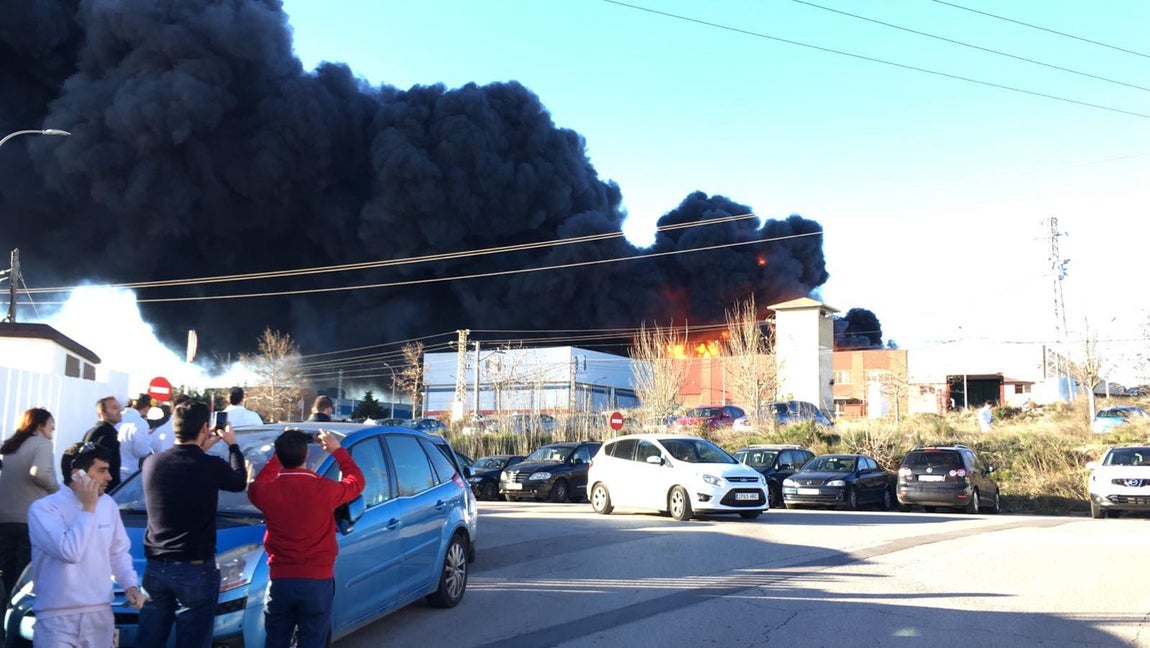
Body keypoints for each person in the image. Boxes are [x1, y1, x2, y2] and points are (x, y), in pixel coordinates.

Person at [136, 399, 247, 647]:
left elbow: (184, 467)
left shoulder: (152, 463)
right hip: (194, 567)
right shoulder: (210, 466)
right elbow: (239, 481)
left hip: (155, 565)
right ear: (205, 427)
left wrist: (199, 449)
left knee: (149, 640)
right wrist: (233, 446)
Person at [248, 429, 364, 647]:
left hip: (280, 580)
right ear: (306, 456)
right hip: (317, 581)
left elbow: (257, 483)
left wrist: (279, 454)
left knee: (276, 640)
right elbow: (357, 481)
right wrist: (337, 451)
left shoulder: (265, 492)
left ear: (280, 456)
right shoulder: (325, 489)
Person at [27, 442, 145, 647]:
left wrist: (130, 585)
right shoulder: (44, 509)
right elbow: (70, 552)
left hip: (100, 615)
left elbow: (118, 552)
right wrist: (88, 507)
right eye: (102, 470)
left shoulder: (108, 505)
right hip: (56, 619)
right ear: (77, 474)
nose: (109, 477)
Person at [0, 408, 60, 601]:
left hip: (5, 518)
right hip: (29, 517)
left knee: (7, 571)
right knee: (25, 572)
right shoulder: (42, 444)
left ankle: (5, 613)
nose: (53, 430)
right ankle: (17, 612)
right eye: (51, 426)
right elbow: (40, 473)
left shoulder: (9, 447)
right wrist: (55, 489)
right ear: (40, 426)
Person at [82, 396, 124, 490]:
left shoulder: (91, 432)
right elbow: (104, 464)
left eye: (119, 407)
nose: (119, 411)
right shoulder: (107, 434)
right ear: (103, 412)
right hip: (105, 488)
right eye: (114, 408)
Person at [118, 394, 155, 479]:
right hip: (127, 473)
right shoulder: (141, 423)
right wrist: (149, 437)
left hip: (111, 470)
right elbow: (142, 452)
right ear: (146, 408)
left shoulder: (117, 417)